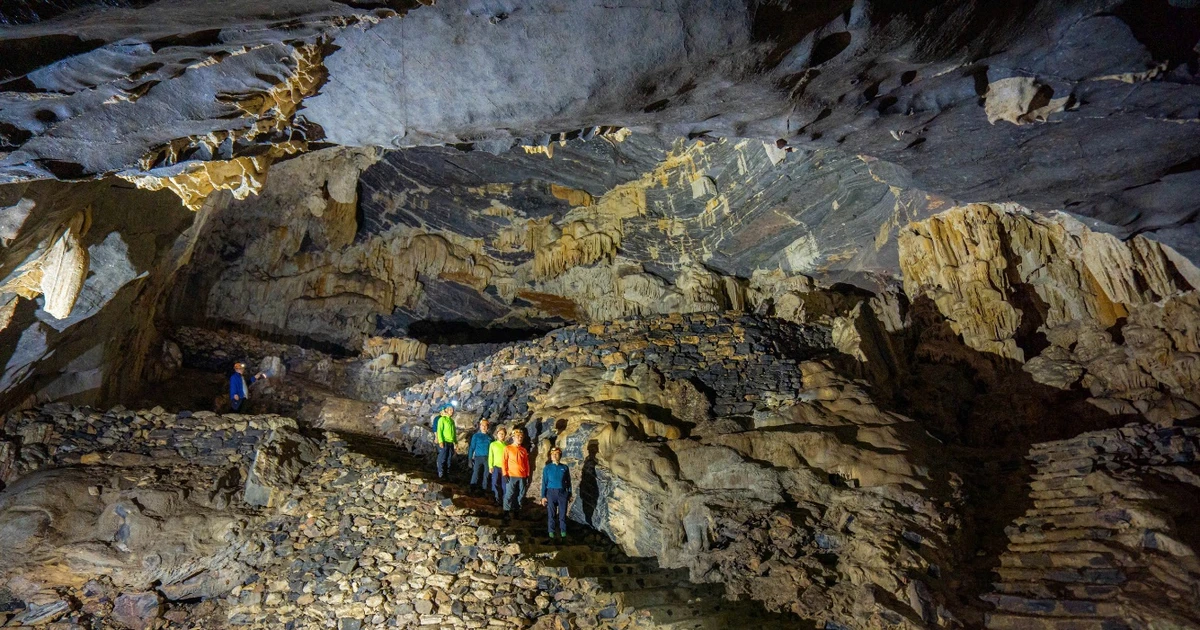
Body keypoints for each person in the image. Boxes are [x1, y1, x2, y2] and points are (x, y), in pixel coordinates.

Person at [539, 447, 572, 541]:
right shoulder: (547, 468)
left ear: (560, 455)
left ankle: (563, 533)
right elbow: (544, 482)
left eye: (556, 454)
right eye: (552, 454)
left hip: (562, 492)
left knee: (562, 514)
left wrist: (569, 493)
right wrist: (543, 496)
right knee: (551, 514)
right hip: (551, 492)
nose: (554, 455)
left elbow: (568, 482)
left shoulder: (564, 467)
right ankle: (551, 533)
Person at [502, 428, 530, 515]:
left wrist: (527, 474)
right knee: (509, 494)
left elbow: (526, 463)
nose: (520, 438)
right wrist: (504, 473)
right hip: (511, 475)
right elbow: (504, 461)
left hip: (522, 476)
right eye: (518, 436)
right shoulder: (508, 448)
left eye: (521, 437)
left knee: (521, 494)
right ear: (513, 437)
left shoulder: (523, 450)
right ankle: (506, 511)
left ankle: (517, 510)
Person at [467, 419, 492, 494]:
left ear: (488, 427)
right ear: (480, 426)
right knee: (476, 473)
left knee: (486, 474)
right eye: (482, 425)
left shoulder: (490, 437)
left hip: (487, 458)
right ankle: (472, 488)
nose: (484, 427)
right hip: (478, 457)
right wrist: (470, 459)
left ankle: (484, 489)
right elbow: (472, 447)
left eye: (485, 425)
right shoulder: (476, 436)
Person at [488, 427, 509, 505]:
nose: (501, 435)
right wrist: (490, 466)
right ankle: (496, 499)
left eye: (503, 434)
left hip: (504, 468)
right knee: (495, 483)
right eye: (500, 433)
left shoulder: (506, 446)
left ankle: (504, 500)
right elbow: (491, 455)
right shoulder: (493, 444)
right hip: (496, 467)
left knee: (504, 485)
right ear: (497, 434)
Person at [434, 405, 456, 479]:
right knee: (442, 457)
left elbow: (454, 432)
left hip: (450, 442)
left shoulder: (451, 421)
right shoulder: (442, 419)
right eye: (450, 409)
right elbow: (439, 431)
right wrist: (440, 441)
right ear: (446, 410)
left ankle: (447, 473)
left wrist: (455, 442)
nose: (452, 411)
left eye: (452, 410)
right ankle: (441, 472)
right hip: (444, 441)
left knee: (449, 458)